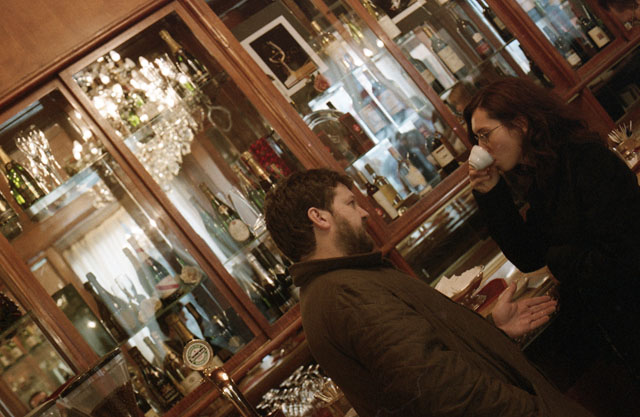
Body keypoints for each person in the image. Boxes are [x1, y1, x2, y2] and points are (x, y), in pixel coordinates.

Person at [264, 168, 592, 417]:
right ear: (319, 217)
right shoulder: (344, 294)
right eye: (350, 204)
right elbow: (447, 392)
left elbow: (422, 366)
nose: (364, 213)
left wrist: (492, 330)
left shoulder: (341, 284)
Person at [465, 77, 640, 412]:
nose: (481, 148)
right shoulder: (543, 175)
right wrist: (491, 194)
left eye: (485, 134)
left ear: (520, 123)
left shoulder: (585, 160)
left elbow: (621, 255)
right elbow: (530, 256)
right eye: (477, 140)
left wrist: (558, 261)